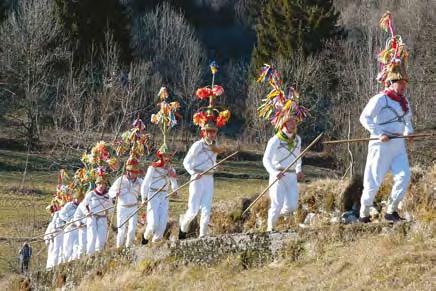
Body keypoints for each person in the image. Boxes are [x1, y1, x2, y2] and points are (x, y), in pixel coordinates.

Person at [359, 11, 413, 223]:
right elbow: (365, 118)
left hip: (398, 145)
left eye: (404, 82)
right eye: (399, 82)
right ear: (391, 82)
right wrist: (379, 133)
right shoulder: (380, 99)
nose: (402, 85)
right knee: (373, 181)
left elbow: (408, 120)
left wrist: (409, 132)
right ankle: (363, 213)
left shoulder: (404, 101)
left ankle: (391, 211)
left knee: (404, 177)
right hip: (381, 144)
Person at [179, 121, 220, 238]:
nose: (212, 134)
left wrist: (216, 166)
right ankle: (183, 228)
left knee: (207, 208)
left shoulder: (215, 147)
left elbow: (212, 162)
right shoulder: (197, 145)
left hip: (209, 179)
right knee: (193, 210)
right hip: (197, 179)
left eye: (214, 132)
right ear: (204, 132)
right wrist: (193, 173)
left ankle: (203, 236)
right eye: (210, 132)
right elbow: (186, 162)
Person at [263, 117, 304, 231]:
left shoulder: (298, 139)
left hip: (292, 176)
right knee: (276, 205)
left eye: (294, 121)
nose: (293, 124)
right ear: (283, 123)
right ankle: (270, 230)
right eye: (289, 121)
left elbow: (298, 156)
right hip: (278, 175)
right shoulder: (275, 140)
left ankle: (282, 219)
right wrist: (274, 172)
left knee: (292, 205)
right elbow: (266, 159)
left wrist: (299, 169)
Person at [141, 145, 178, 244]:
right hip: (153, 195)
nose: (167, 158)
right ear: (160, 156)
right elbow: (145, 183)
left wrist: (175, 191)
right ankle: (145, 237)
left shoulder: (171, 169)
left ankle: (155, 244)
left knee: (162, 224)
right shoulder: (153, 168)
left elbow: (173, 182)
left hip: (164, 196)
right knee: (153, 224)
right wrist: (143, 198)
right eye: (165, 156)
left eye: (169, 156)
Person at [109, 158, 143, 248]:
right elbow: (110, 192)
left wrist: (144, 199)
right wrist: (114, 195)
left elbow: (145, 190)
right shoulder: (120, 180)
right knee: (121, 229)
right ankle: (119, 247)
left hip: (134, 207)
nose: (135, 173)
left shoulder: (140, 181)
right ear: (128, 171)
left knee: (132, 229)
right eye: (133, 172)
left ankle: (128, 247)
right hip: (122, 207)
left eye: (136, 172)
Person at [79, 174, 114, 255]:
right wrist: (87, 213)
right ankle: (89, 255)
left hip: (103, 218)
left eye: (103, 184)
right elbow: (82, 205)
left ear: (105, 185)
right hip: (92, 218)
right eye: (100, 184)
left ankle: (99, 255)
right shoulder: (91, 194)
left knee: (102, 239)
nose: (101, 186)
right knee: (92, 238)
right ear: (96, 184)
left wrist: (108, 212)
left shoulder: (108, 196)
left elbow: (112, 208)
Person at [58, 190, 83, 262]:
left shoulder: (82, 206)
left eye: (80, 199)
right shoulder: (69, 205)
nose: (78, 200)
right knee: (67, 247)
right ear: (74, 198)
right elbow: (61, 214)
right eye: (77, 198)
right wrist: (69, 220)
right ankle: (64, 262)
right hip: (70, 228)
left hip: (78, 228)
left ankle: (73, 261)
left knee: (77, 246)